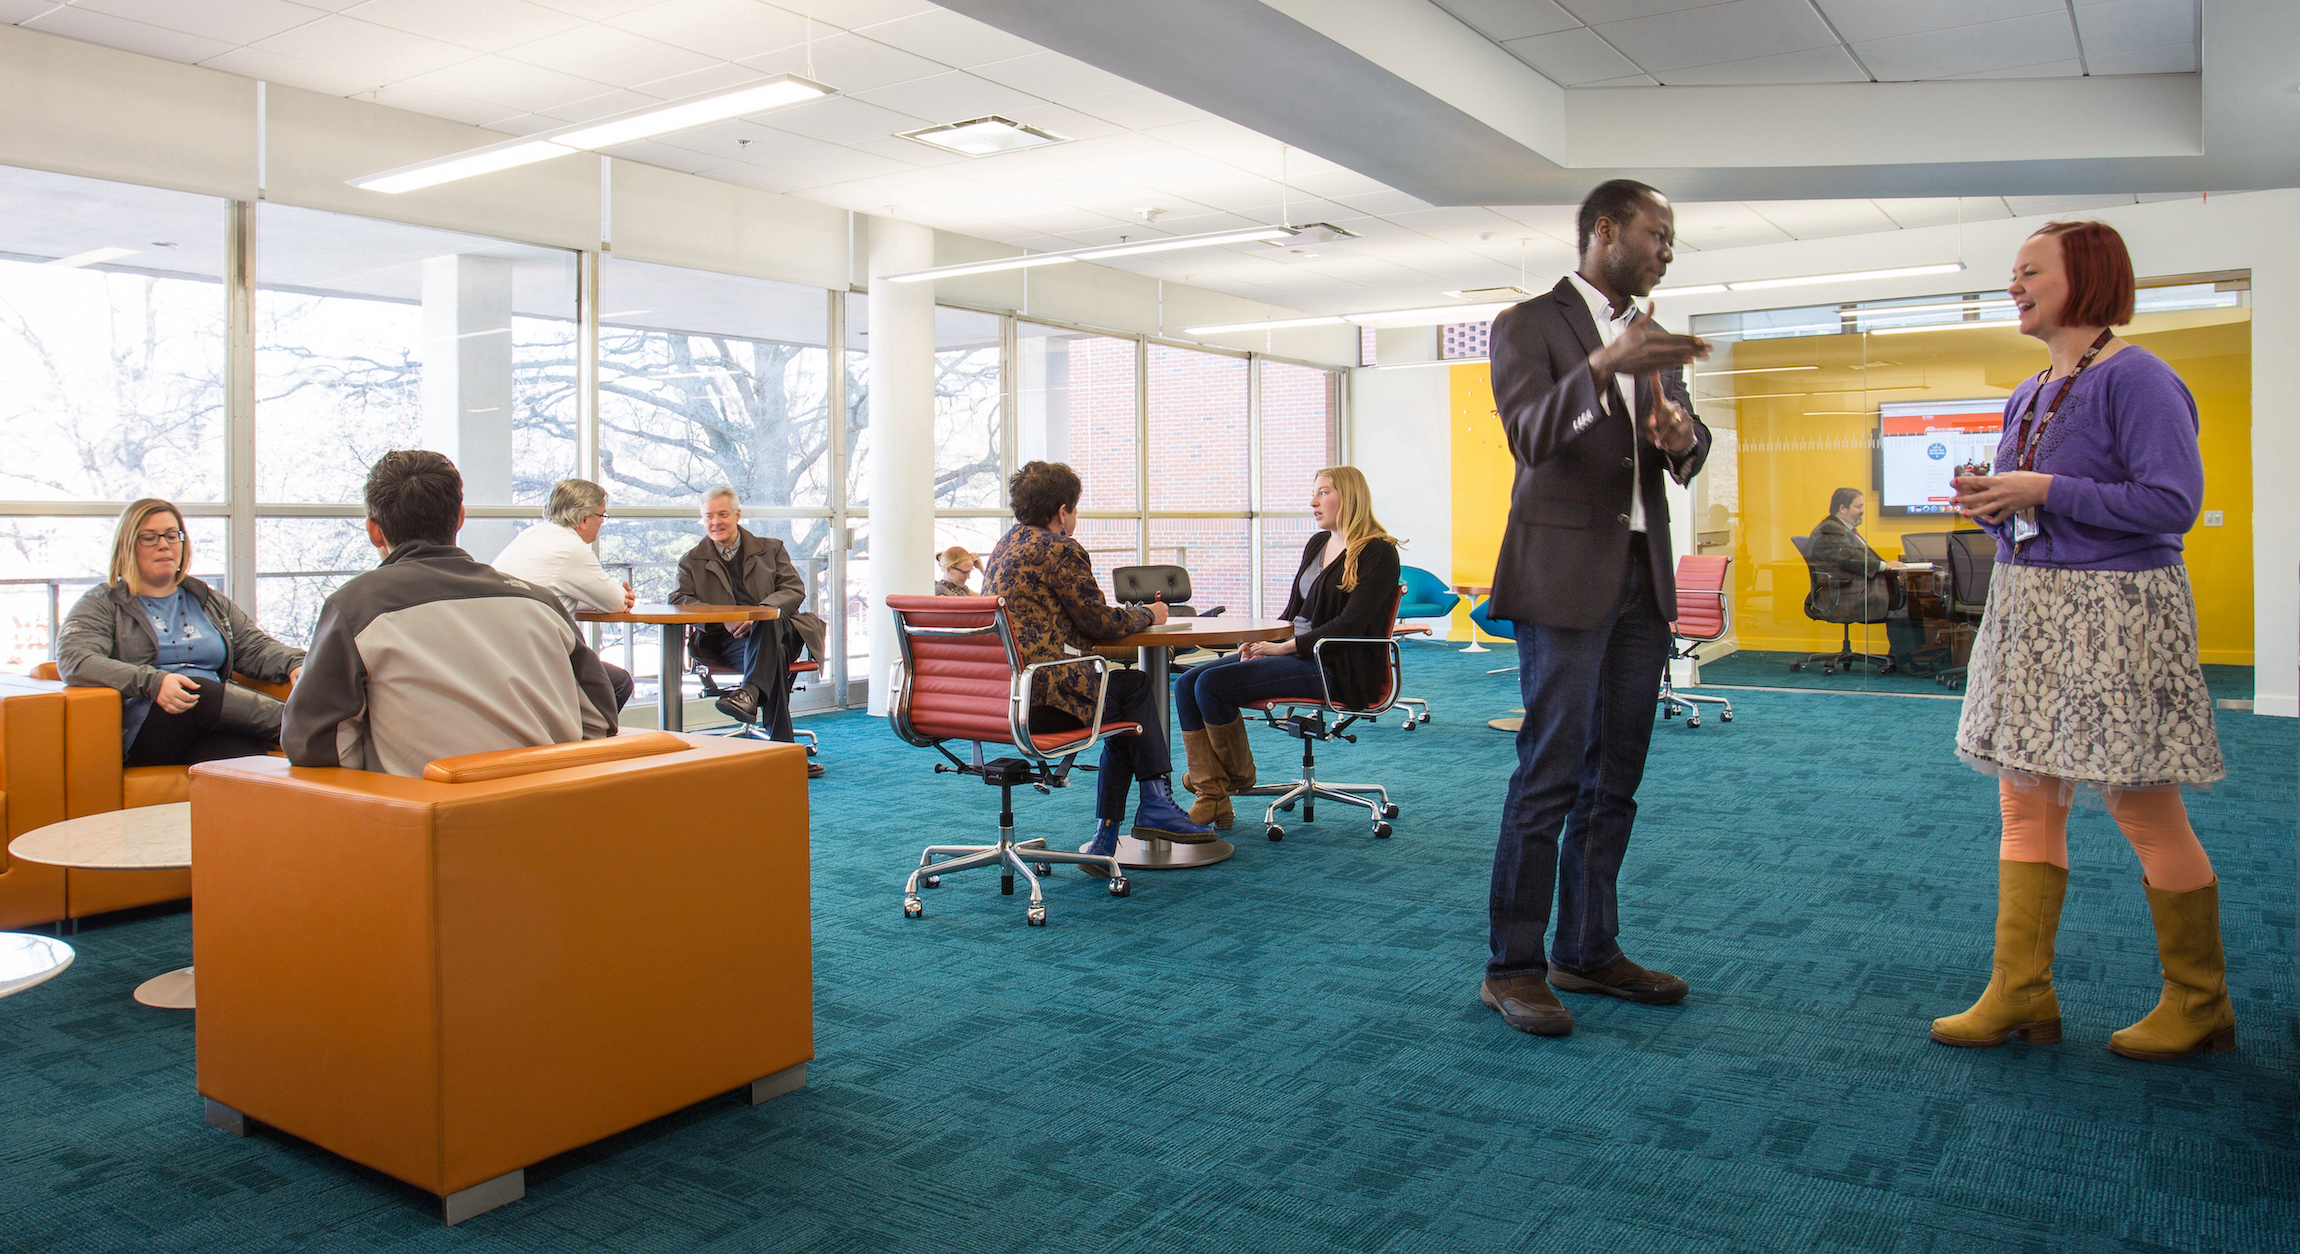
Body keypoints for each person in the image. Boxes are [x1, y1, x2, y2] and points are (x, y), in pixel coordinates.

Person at [1931, 220, 2234, 1062]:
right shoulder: (2030, 390)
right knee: (2024, 801)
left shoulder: (2139, 379)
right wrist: (1995, 502)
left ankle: (2200, 1000)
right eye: (2013, 274)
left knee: (2140, 804)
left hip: (2115, 615)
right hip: (2032, 607)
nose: (2015, 285)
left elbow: (2170, 504)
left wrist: (2044, 487)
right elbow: (2035, 503)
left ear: (2086, 278)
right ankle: (2021, 991)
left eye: (2031, 272)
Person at [1480, 179, 1712, 1038]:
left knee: (1617, 777)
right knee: (1552, 772)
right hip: (1566, 576)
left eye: (1672, 241)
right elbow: (1530, 435)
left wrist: (1682, 439)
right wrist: (1602, 368)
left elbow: (1687, 442)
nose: (1666, 251)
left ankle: (1588, 947)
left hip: (1643, 580)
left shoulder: (1649, 335)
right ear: (1604, 231)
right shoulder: (1528, 325)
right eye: (1658, 234)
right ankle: (1511, 965)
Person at [283, 450, 619, 777]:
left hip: (427, 817)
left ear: (374, 530)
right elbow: (600, 721)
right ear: (459, 518)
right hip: (551, 810)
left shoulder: (356, 606)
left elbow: (312, 744)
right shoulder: (542, 603)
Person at [981, 461, 1215, 858]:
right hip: (1044, 701)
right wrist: (1150, 615)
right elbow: (1099, 622)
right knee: (1134, 688)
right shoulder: (1059, 549)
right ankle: (1155, 801)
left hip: (1002, 699)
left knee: (1121, 708)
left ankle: (1108, 834)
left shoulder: (1004, 546)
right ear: (1062, 511)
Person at [1174, 466, 1398, 829]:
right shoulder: (1318, 543)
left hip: (1335, 667)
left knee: (1210, 686)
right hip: (1296, 651)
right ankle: (1213, 792)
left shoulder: (1377, 553)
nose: (1313, 501)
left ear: (1350, 496)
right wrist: (1264, 642)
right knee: (1185, 684)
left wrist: (1284, 648)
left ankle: (1222, 785)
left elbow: (1350, 626)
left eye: (1324, 492)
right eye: (1315, 493)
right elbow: (1295, 611)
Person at [57, 498, 304, 766]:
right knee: (199, 692)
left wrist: (296, 662)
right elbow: (75, 659)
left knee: (244, 760)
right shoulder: (103, 602)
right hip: (151, 727)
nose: (164, 545)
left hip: (213, 721)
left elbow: (253, 647)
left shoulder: (206, 599)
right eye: (149, 538)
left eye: (172, 535)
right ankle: (309, 728)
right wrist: (154, 683)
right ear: (127, 546)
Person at [672, 487, 829, 778]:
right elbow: (680, 599)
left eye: (722, 514)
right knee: (776, 658)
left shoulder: (770, 548)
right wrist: (725, 618)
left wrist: (758, 614)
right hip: (729, 639)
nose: (715, 522)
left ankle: (749, 694)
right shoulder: (691, 560)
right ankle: (781, 744)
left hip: (782, 630)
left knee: (767, 617)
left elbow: (793, 590)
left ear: (737, 515)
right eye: (709, 516)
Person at [490, 477, 637, 708]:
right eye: (602, 516)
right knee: (618, 683)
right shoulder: (571, 549)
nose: (602, 522)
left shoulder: (528, 536)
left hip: (499, 654)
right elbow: (617, 602)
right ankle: (582, 742)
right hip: (538, 660)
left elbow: (551, 593)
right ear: (584, 519)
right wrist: (621, 595)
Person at [1804, 486, 1926, 667]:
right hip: (1842, 594)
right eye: (1858, 506)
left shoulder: (1843, 529)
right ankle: (1905, 660)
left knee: (1904, 596)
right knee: (1901, 601)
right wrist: (1884, 566)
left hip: (1849, 589)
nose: (1862, 511)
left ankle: (1903, 656)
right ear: (1843, 508)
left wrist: (1887, 567)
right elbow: (1848, 558)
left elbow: (1854, 558)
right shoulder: (1830, 528)